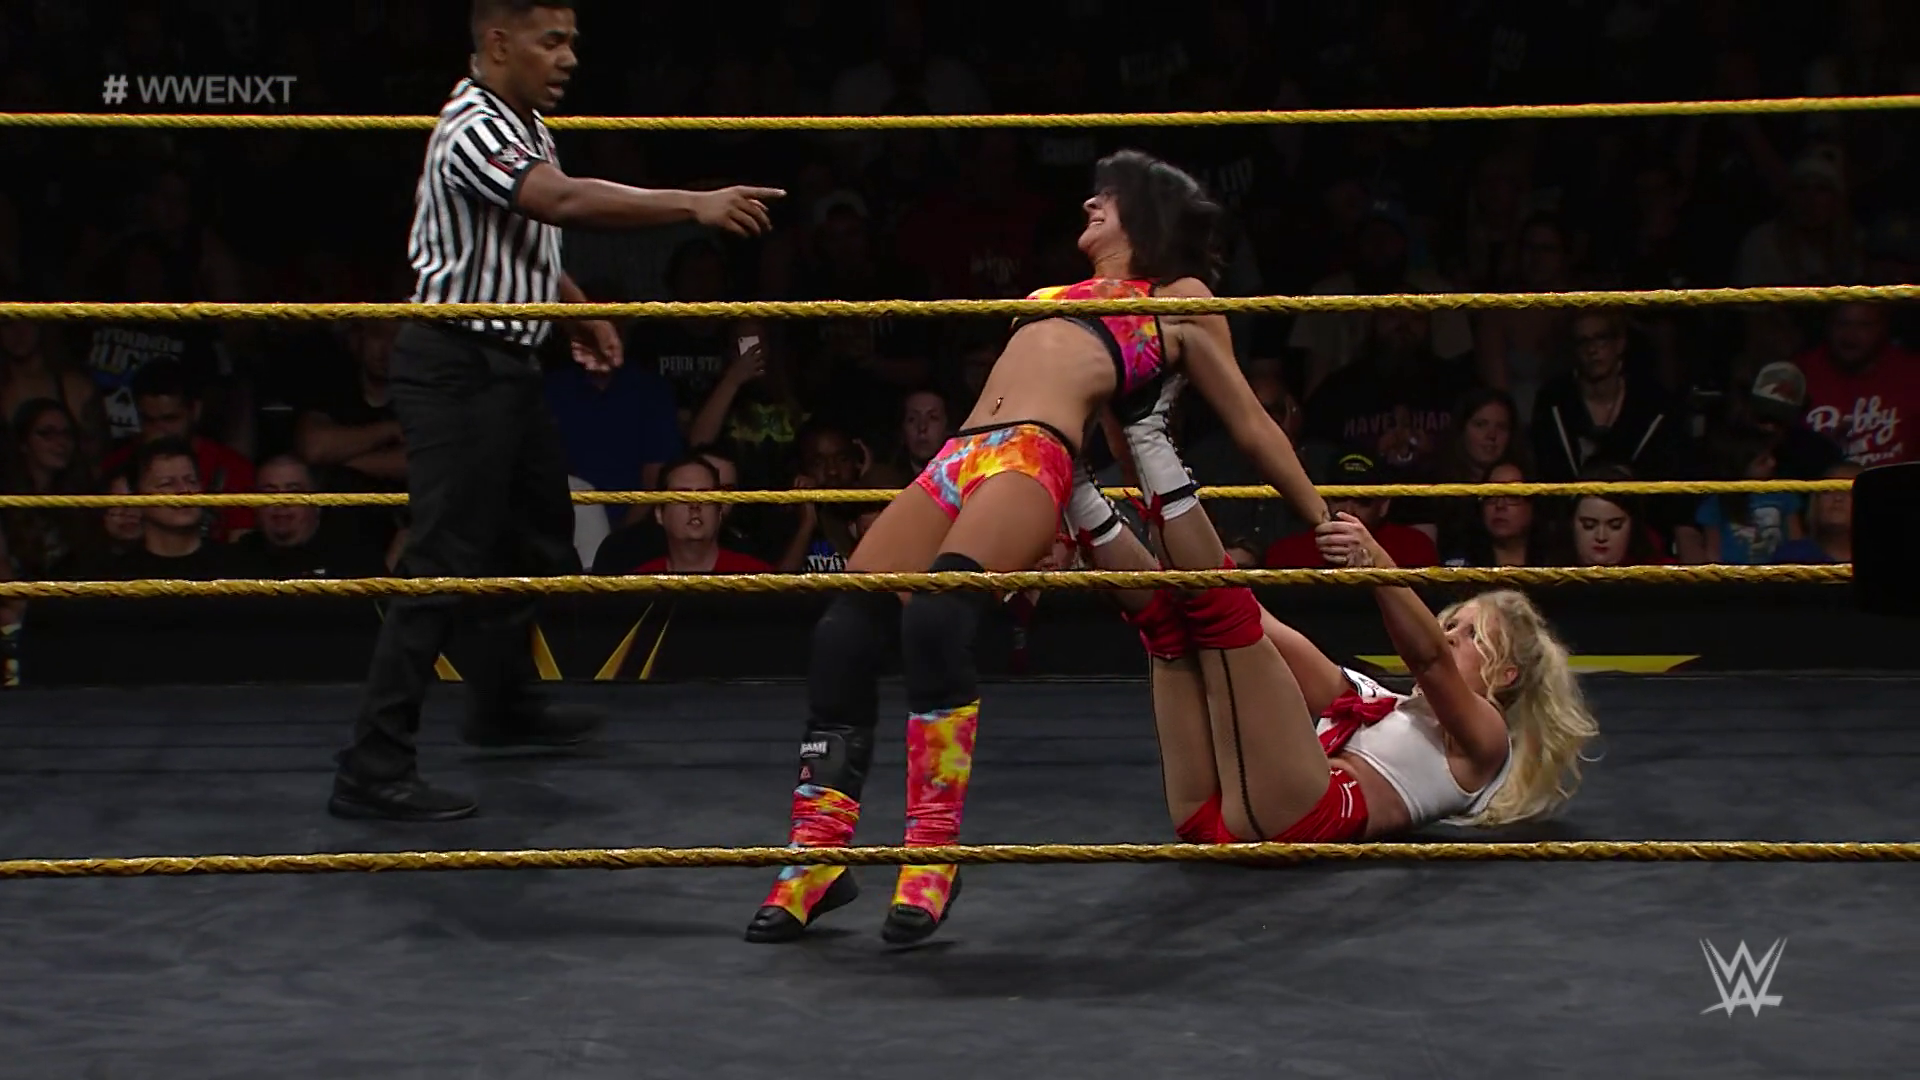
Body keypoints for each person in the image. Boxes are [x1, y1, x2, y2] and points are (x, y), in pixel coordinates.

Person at [744, 150, 1323, 946]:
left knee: (937, 621)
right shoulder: (1057, 293)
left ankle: (931, 853)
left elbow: (1248, 424)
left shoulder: (1180, 299)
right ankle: (818, 856)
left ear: (1148, 215)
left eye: (1109, 197)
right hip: (958, 454)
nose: (1089, 203)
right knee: (843, 631)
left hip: (1033, 457)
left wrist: (1320, 517)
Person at [330, 0, 785, 823]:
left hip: (508, 363)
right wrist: (692, 204)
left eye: (573, 40)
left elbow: (527, 235)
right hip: (454, 361)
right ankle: (372, 763)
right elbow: (562, 202)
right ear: (499, 43)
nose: (570, 57)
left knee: (539, 527)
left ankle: (501, 705)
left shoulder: (527, 123)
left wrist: (574, 309)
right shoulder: (473, 126)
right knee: (441, 559)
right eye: (553, 41)